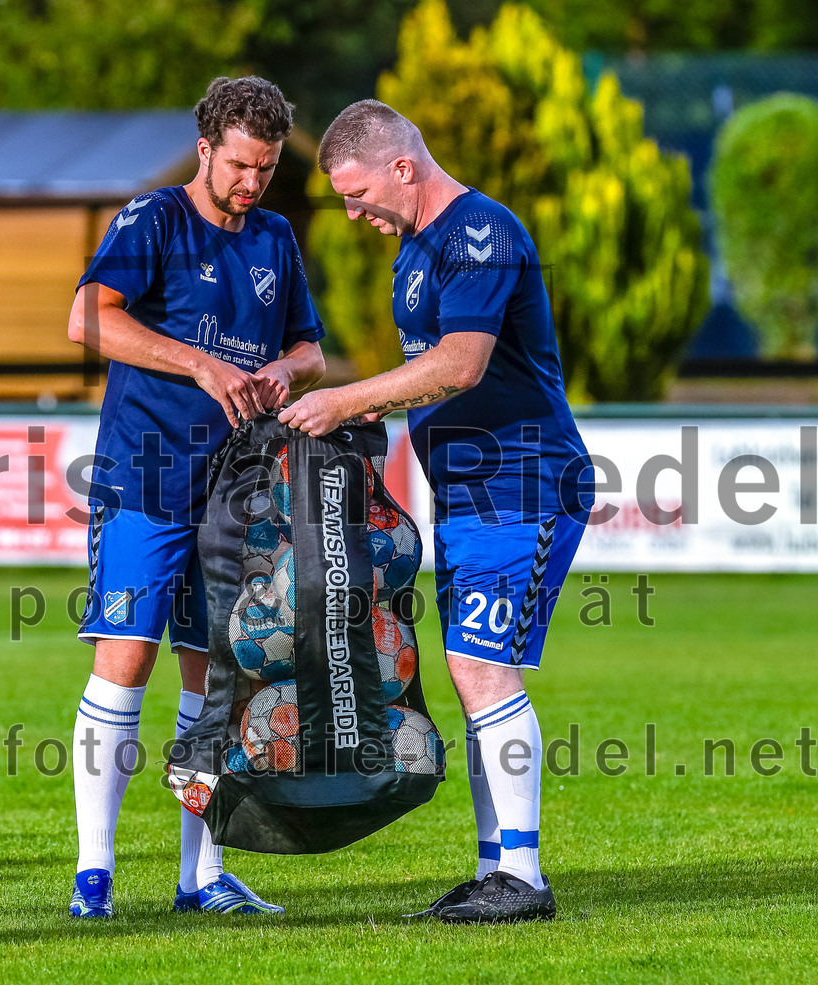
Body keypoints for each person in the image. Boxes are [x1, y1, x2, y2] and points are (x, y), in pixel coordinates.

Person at [279, 99, 592, 924]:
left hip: (524, 481)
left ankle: (522, 876)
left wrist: (347, 398)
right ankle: (497, 869)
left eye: (357, 195)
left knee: (480, 668)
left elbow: (461, 362)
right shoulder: (414, 252)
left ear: (403, 167)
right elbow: (426, 377)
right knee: (471, 669)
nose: (353, 214)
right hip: (466, 494)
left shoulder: (480, 232)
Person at [66, 76, 325, 919]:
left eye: (268, 166)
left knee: (219, 679)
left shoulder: (276, 237)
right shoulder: (154, 219)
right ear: (206, 148)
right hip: (143, 480)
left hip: (236, 492)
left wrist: (286, 369)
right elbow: (87, 319)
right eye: (240, 165)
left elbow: (312, 350)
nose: (253, 182)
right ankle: (94, 877)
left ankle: (202, 876)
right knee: (125, 661)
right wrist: (201, 363)